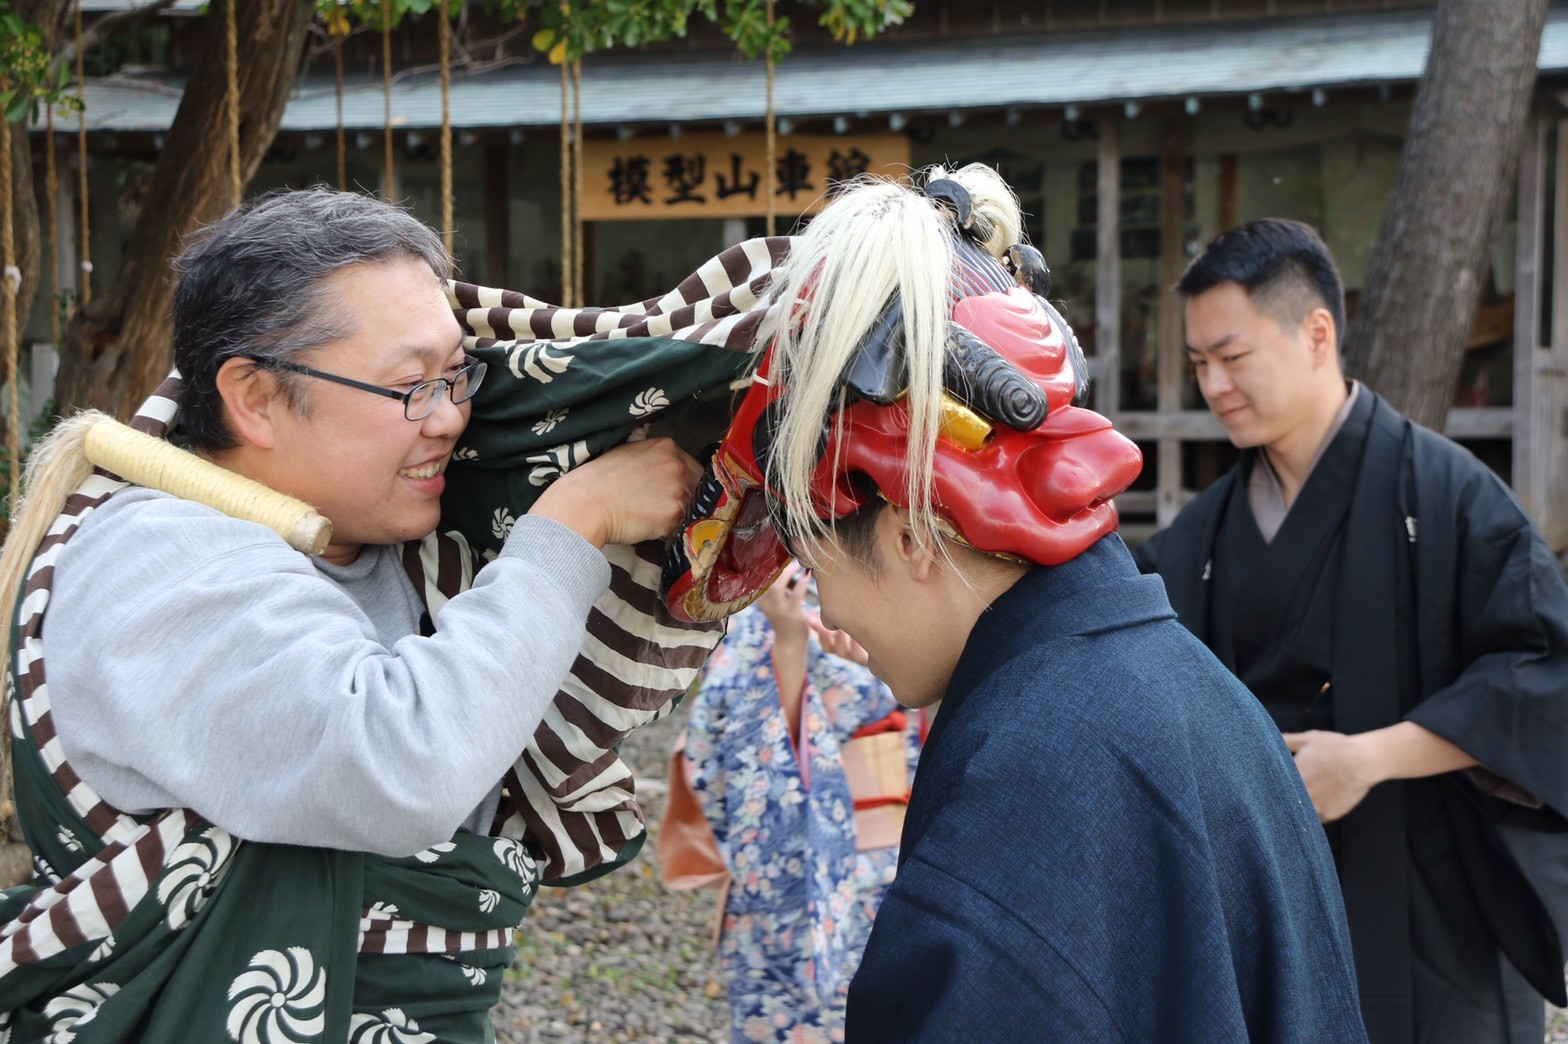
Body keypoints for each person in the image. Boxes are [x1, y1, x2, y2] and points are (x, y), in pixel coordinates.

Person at [662, 164, 1368, 1041]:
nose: (825, 611)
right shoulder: (1195, 694)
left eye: (811, 562)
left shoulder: (1024, 793)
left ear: (913, 533)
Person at [0, 188, 703, 1041]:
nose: (449, 417)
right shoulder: (156, 553)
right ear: (254, 399)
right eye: (411, 385)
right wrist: (572, 525)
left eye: (457, 377)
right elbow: (398, 764)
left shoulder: (416, 550)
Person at [1133, 217, 1568, 1044]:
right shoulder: (1202, 540)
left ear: (1317, 333)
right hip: (1271, 899)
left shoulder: (1446, 496)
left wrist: (1368, 757)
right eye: (1198, 366)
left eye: (1232, 357)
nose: (1214, 385)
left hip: (1430, 899)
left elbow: (1545, 672)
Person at [678, 564, 917, 1042]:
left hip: (890, 876)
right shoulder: (754, 606)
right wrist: (788, 641)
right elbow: (720, 757)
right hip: (787, 882)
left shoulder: (903, 590)